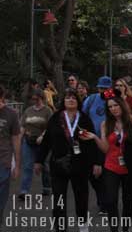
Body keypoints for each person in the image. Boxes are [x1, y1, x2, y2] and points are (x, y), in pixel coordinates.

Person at [35, 87, 102, 232]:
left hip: (80, 165)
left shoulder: (84, 118)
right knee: (59, 199)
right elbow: (47, 141)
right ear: (63, 101)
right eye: (67, 98)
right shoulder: (55, 118)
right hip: (58, 164)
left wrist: (97, 162)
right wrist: (38, 161)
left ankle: (83, 226)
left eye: (73, 97)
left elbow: (92, 143)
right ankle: (60, 228)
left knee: (82, 196)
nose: (70, 100)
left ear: (78, 101)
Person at [81, 93, 132, 232]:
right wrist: (95, 138)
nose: (113, 108)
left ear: (121, 105)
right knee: (110, 200)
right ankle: (114, 229)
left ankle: (125, 229)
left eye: (115, 105)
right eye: (110, 107)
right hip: (111, 166)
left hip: (129, 166)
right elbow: (105, 148)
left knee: (127, 201)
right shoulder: (105, 124)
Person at [82, 76, 112, 215]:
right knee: (93, 175)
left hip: (109, 142)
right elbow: (82, 117)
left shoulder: (115, 101)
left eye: (106, 89)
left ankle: (105, 203)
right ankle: (103, 200)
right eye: (101, 88)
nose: (103, 91)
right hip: (92, 141)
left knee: (106, 173)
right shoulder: (91, 99)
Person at [19, 89, 53, 199]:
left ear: (41, 98)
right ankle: (24, 190)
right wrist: (19, 139)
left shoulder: (47, 111)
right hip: (28, 141)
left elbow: (50, 127)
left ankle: (47, 187)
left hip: (42, 142)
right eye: (33, 99)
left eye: (36, 99)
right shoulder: (28, 110)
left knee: (45, 165)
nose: (34, 101)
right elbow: (23, 126)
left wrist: (43, 136)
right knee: (27, 166)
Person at [0, 85, 21, 229]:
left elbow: (16, 140)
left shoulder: (11, 114)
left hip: (4, 161)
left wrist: (17, 165)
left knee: (1, 198)